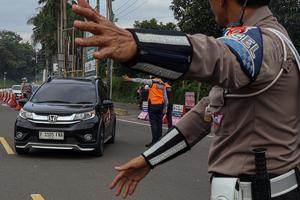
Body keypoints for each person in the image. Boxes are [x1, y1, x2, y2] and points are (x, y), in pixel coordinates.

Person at [72, 0, 300, 199]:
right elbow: (203, 117)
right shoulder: (262, 45)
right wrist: (149, 159)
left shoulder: (266, 43)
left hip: (263, 192)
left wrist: (138, 45)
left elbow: (214, 55)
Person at [122, 75, 168, 147]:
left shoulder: (152, 82)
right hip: (161, 106)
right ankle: (159, 141)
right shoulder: (163, 84)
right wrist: (165, 107)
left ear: (153, 77)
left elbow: (140, 80)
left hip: (153, 105)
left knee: (154, 124)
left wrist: (129, 79)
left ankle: (154, 141)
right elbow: (165, 97)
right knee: (159, 124)